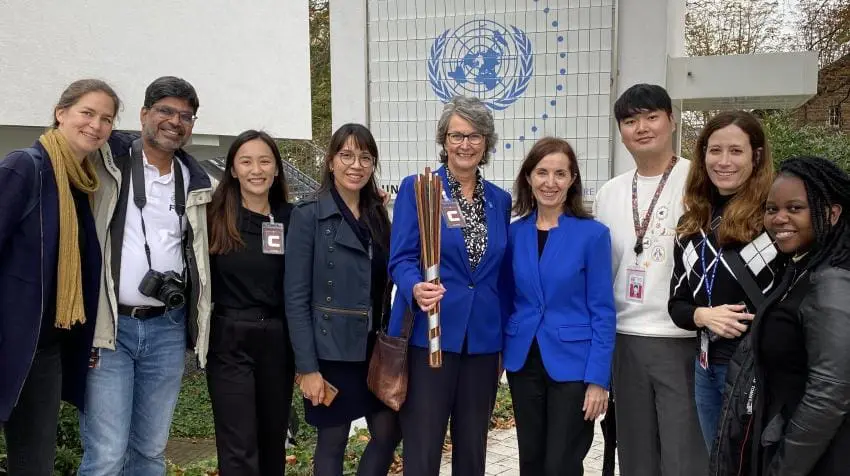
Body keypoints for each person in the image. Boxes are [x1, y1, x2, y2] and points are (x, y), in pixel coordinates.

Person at [79, 76, 213, 475]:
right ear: (143, 115)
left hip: (166, 329)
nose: (175, 121)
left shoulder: (197, 182)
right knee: (105, 455)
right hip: (111, 328)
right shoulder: (106, 165)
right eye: (165, 111)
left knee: (151, 452)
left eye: (185, 116)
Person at [388, 95, 512, 476]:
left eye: (475, 136)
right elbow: (401, 259)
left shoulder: (500, 201)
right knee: (424, 446)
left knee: (472, 446)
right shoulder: (419, 188)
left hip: (483, 341)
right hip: (432, 337)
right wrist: (414, 288)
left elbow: (500, 274)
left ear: (486, 143)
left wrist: (506, 339)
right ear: (443, 140)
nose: (465, 144)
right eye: (457, 135)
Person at [0, 79, 119, 476]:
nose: (96, 125)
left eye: (106, 119)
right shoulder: (25, 167)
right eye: (87, 113)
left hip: (45, 350)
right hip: (6, 340)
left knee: (34, 464)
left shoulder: (82, 183)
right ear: (61, 112)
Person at [593, 83, 706, 475]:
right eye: (630, 120)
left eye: (652, 116)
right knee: (636, 453)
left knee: (683, 453)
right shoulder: (609, 193)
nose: (641, 127)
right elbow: (602, 271)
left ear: (671, 121)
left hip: (681, 339)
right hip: (624, 339)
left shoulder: (699, 183)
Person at [285, 123, 401, 476]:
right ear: (331, 161)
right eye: (347, 155)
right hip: (329, 350)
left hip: (374, 348)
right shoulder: (308, 215)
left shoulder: (377, 214)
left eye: (365, 157)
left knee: (388, 432)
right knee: (332, 441)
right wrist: (307, 368)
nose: (356, 165)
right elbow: (295, 296)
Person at [668, 110, 784, 450]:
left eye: (736, 151)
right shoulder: (692, 224)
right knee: (719, 465)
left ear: (756, 155)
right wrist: (702, 316)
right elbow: (677, 304)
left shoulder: (774, 221)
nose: (724, 161)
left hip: (758, 374)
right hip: (707, 370)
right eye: (714, 150)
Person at [501, 137, 616, 475]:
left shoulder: (592, 235)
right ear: (528, 178)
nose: (550, 182)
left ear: (572, 180)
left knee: (562, 464)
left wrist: (599, 380)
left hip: (574, 366)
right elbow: (507, 300)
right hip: (524, 362)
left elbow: (603, 311)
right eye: (542, 172)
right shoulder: (513, 234)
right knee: (531, 462)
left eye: (560, 174)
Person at [747, 156, 850, 475]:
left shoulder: (832, 283)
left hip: (816, 459)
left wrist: (783, 469)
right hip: (787, 442)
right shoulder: (800, 269)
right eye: (772, 209)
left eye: (794, 209)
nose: (779, 219)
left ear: (832, 214)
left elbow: (828, 396)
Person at [206, 130, 295, 475]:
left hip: (277, 340)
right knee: (238, 446)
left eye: (264, 161)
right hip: (229, 338)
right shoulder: (213, 216)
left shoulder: (293, 218)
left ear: (276, 170)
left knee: (272, 443)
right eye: (246, 161)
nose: (255, 170)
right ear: (232, 169)